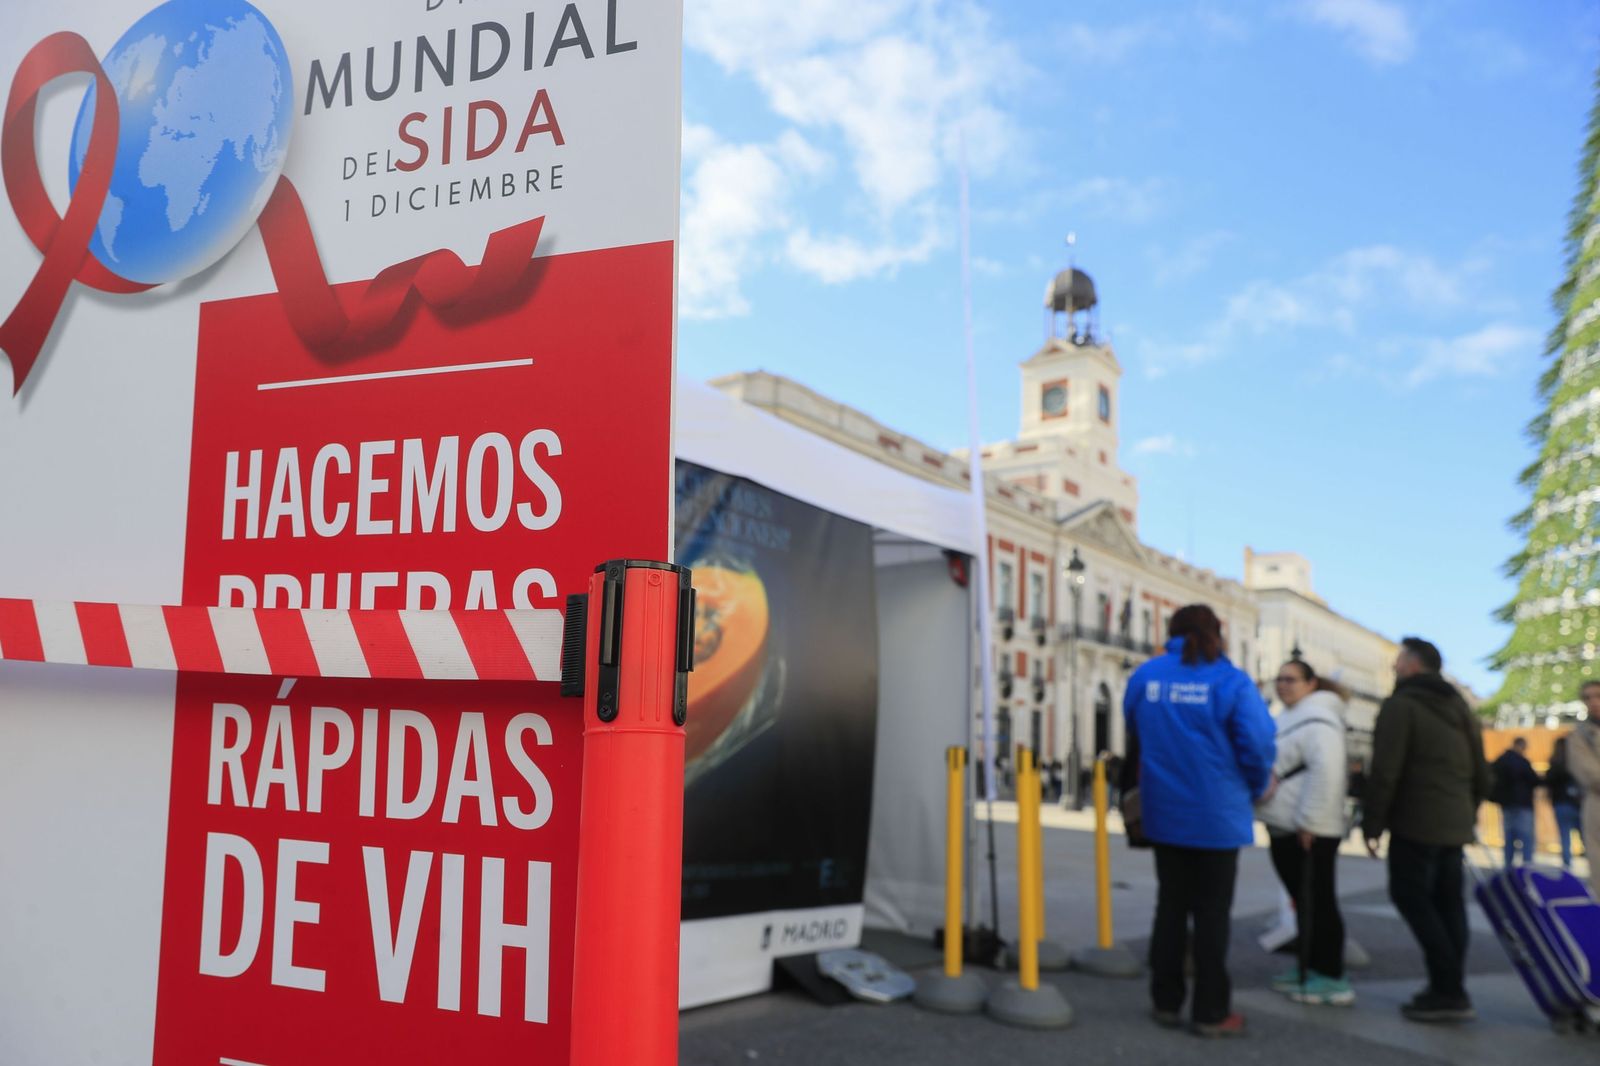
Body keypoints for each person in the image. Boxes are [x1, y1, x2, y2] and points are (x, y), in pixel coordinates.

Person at [1122, 604, 1275, 1038]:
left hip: (1165, 810)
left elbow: (1134, 728)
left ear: (1171, 631)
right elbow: (1259, 743)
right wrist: (1257, 783)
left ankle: (1165, 1000)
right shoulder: (1231, 682)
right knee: (1212, 914)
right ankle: (1210, 1011)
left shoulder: (1147, 677)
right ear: (1217, 633)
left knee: (1170, 906)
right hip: (1217, 814)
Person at [1362, 637, 1491, 1024]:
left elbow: (1385, 770)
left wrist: (1373, 823)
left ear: (1414, 665)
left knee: (1410, 896)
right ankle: (1448, 987)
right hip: (1454, 822)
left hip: (1415, 821)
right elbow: (1482, 771)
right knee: (1449, 904)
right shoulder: (1459, 707)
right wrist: (1468, 811)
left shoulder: (1401, 705)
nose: (1394, 666)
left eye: (1399, 660)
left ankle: (1448, 988)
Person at [1257, 659, 1353, 1006]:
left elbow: (1327, 772)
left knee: (1319, 901)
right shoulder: (1292, 716)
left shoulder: (1319, 719)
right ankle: (1310, 966)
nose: (1283, 685)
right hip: (1286, 824)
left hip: (1308, 829)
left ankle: (1330, 976)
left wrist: (1311, 821)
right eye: (1279, 678)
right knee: (1305, 900)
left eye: (1291, 679)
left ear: (1311, 684)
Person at [1569, 682, 1600, 898]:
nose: (1593, 702)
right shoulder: (1580, 736)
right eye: (1587, 698)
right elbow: (1591, 775)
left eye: (1597, 695)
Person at [1490, 737, 1540, 867]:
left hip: (1507, 803)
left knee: (1509, 837)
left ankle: (1508, 867)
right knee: (1526, 838)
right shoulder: (1522, 762)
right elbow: (1534, 780)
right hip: (1522, 804)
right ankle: (1527, 867)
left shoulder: (1502, 760)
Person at [1546, 736, 1583, 871]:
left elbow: (1548, 783)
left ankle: (1567, 866)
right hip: (1575, 804)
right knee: (1584, 836)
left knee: (1565, 837)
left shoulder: (1555, 763)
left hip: (1561, 804)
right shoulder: (1574, 762)